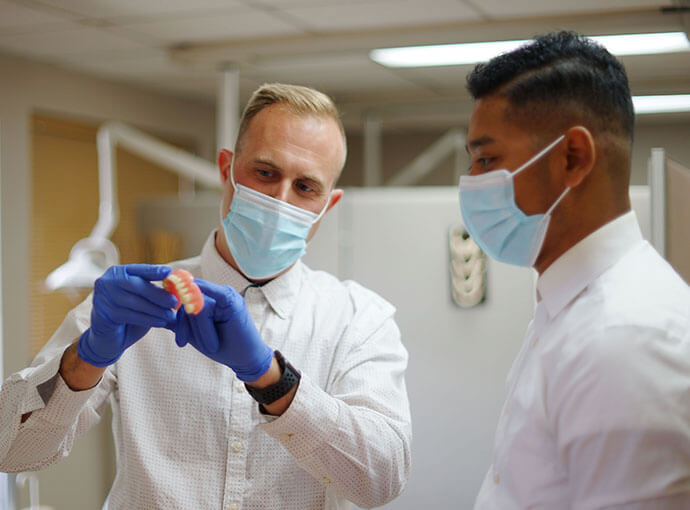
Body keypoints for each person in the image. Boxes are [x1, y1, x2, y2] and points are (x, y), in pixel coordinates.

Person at [0, 83, 411, 509]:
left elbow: (380, 483)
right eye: (265, 173)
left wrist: (273, 380)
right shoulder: (140, 302)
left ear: (329, 204)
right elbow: (9, 452)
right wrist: (83, 359)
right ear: (226, 168)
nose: (279, 200)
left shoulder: (358, 319)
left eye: (306, 187)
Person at [459, 31, 690, 508]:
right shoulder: (569, 308)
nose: (471, 184)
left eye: (487, 159)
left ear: (573, 157)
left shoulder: (626, 336)